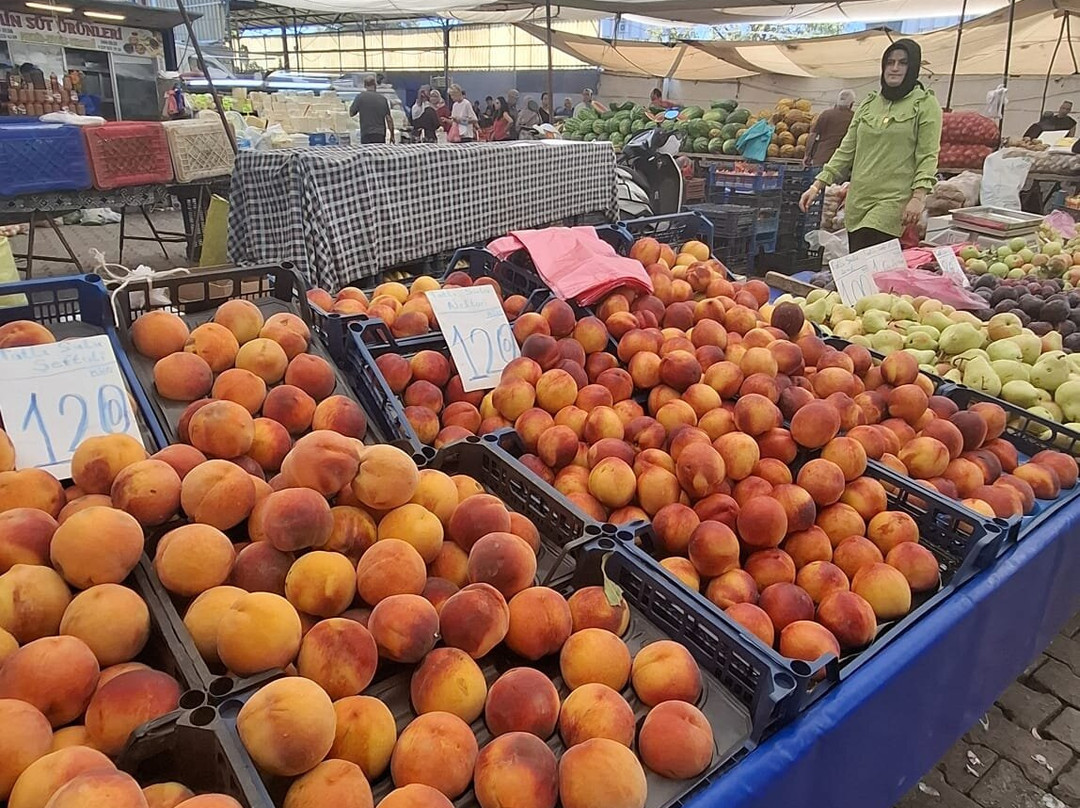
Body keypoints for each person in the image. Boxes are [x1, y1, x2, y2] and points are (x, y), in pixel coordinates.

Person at [799, 39, 941, 253]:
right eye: (890, 62)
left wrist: (918, 197)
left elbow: (928, 155)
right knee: (860, 262)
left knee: (873, 256)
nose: (894, 68)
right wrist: (817, 185)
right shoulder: (868, 105)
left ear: (913, 68)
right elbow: (846, 149)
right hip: (858, 199)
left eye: (902, 63)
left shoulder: (925, 104)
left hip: (892, 200)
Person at [805, 89, 856, 167]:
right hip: (839, 163)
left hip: (820, 159)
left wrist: (807, 155)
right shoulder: (854, 118)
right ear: (852, 104)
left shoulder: (825, 114)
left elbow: (812, 136)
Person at [349, 75, 394, 144]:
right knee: (378, 154)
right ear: (375, 85)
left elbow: (351, 113)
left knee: (367, 154)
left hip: (366, 133)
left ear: (364, 85)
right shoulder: (383, 99)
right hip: (380, 134)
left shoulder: (360, 97)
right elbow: (389, 119)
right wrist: (392, 135)